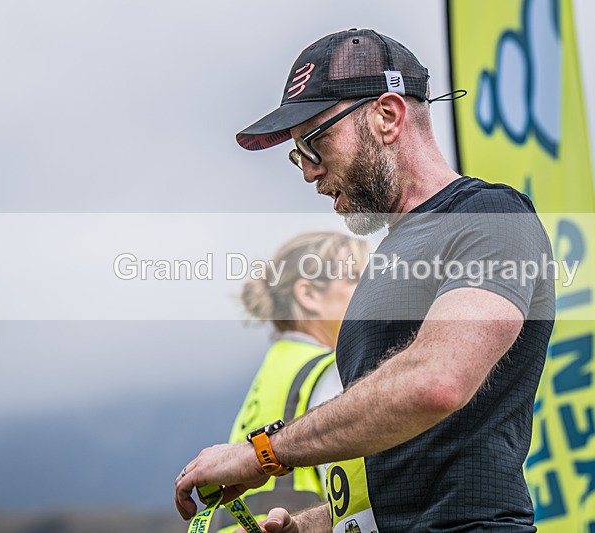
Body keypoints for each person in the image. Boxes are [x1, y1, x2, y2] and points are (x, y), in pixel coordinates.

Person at [175, 29, 556, 532]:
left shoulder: (490, 214)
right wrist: (319, 525)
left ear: (387, 116)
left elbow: (436, 381)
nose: (309, 172)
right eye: (298, 155)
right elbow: (407, 470)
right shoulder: (389, 258)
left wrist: (260, 454)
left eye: (314, 143)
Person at [208, 232, 368, 532]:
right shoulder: (329, 369)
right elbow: (359, 494)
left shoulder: (275, 367)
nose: (370, 289)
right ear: (308, 295)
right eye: (355, 276)